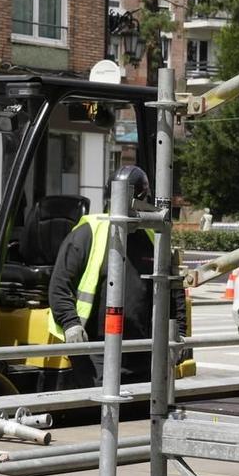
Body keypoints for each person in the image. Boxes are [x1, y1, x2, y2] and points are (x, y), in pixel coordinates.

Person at [48, 165, 177, 389]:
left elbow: (173, 290)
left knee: (138, 412)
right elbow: (59, 285)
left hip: (143, 349)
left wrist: (178, 335)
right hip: (96, 350)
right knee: (103, 409)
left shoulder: (152, 237)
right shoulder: (89, 232)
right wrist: (71, 324)